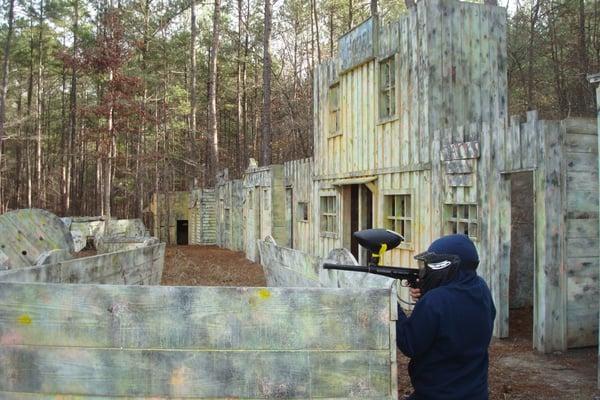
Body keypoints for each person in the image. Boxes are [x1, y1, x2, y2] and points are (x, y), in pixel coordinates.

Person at [396, 234, 496, 400]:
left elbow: (409, 344)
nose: (425, 270)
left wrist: (393, 306)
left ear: (448, 265)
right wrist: (426, 297)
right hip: (475, 393)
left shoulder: (435, 301)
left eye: (430, 265)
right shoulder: (481, 288)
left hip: (437, 393)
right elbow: (456, 317)